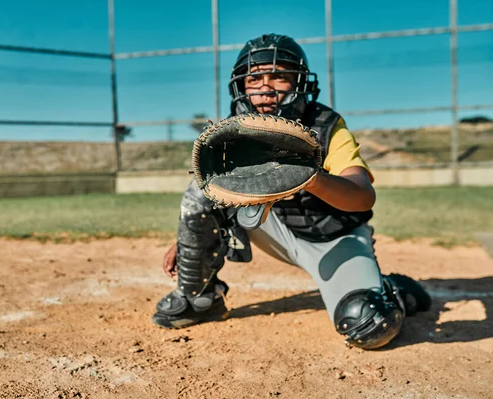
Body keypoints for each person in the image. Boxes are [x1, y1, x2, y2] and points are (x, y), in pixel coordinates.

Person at [151, 34, 430, 349]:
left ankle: (391, 291)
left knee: (367, 322)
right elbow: (211, 195)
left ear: (300, 82)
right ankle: (198, 298)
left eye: (279, 76)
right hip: (276, 231)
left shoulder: (325, 125)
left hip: (334, 240)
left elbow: (363, 196)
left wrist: (311, 178)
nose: (265, 88)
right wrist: (189, 243)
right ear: (241, 85)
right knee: (205, 187)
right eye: (254, 78)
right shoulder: (239, 129)